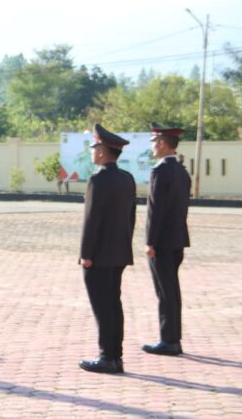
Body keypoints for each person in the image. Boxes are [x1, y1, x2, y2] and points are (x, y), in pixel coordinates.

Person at [79, 123, 136, 374]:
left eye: (94, 148)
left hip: (99, 256)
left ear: (102, 151)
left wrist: (86, 254)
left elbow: (91, 221)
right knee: (114, 305)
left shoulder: (97, 180)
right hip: (119, 252)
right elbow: (131, 218)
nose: (92, 152)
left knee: (103, 307)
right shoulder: (127, 178)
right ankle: (116, 356)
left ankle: (107, 358)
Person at [142, 122, 191, 356]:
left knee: (165, 291)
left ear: (162, 143)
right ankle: (173, 338)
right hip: (177, 238)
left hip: (161, 241)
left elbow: (155, 210)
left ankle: (169, 340)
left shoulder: (160, 171)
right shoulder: (181, 170)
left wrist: (150, 241)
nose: (152, 146)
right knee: (171, 290)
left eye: (154, 142)